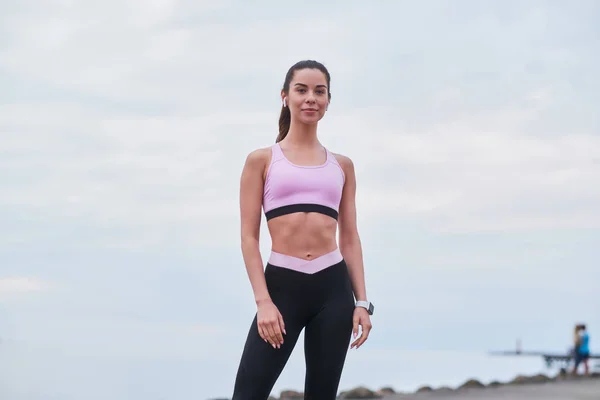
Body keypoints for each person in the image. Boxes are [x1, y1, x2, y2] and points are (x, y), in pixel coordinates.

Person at [231, 60, 374, 400]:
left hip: (333, 291)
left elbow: (350, 237)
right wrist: (263, 302)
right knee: (247, 394)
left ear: (327, 101)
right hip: (282, 289)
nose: (311, 98)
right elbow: (249, 238)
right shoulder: (262, 160)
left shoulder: (342, 166)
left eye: (319, 91)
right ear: (285, 97)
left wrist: (362, 303)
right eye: (302, 90)